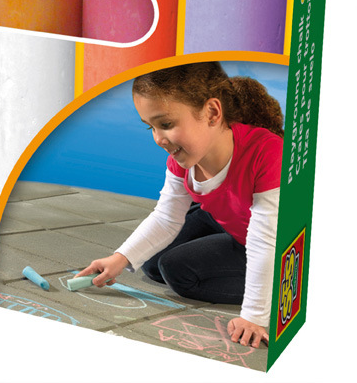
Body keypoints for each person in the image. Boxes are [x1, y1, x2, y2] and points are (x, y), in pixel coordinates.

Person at [76, 61, 284, 349]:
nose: (158, 139)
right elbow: (166, 218)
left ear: (212, 113)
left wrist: (254, 316)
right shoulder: (182, 158)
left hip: (276, 243)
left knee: (176, 271)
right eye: (150, 127)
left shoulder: (268, 153)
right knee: (150, 263)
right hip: (234, 217)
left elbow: (264, 240)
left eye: (166, 125)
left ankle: (283, 288)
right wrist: (119, 259)